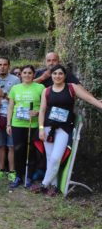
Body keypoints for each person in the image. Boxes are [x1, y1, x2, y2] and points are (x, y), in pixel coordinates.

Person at [32, 65, 102, 195]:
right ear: (51, 76)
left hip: (64, 128)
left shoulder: (71, 88)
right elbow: (42, 111)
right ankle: (54, 186)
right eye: (55, 74)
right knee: (49, 158)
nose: (57, 76)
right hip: (47, 127)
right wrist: (41, 129)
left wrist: (100, 105)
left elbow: (89, 98)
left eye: (60, 74)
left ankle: (44, 184)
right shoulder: (46, 91)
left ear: (64, 76)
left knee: (56, 158)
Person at [5, 65, 44, 188]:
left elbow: (44, 106)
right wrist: (8, 124)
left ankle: (29, 176)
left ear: (33, 75)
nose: (27, 75)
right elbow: (10, 107)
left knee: (31, 151)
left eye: (30, 73)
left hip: (33, 124)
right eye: (25, 73)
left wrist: (37, 112)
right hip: (17, 123)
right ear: (21, 75)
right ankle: (18, 176)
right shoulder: (15, 88)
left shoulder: (40, 87)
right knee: (18, 150)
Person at [0, 57, 20, 182]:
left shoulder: (16, 80)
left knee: (11, 145)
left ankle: (12, 171)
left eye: (5, 64)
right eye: (0, 64)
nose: (2, 67)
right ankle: (1, 170)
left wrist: (4, 95)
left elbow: (18, 99)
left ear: (9, 66)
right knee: (0, 145)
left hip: (12, 117)